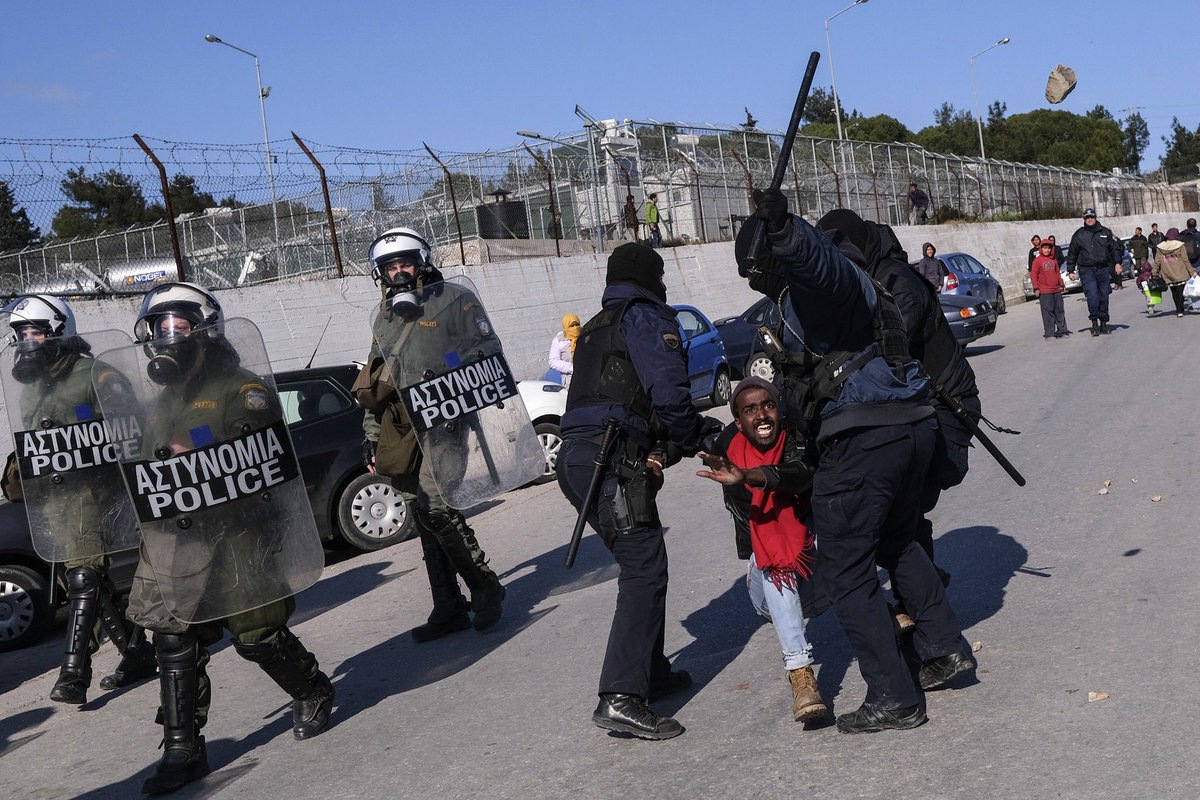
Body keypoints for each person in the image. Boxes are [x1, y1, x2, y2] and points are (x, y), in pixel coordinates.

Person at [738, 189, 973, 735]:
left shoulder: (830, 278)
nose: (757, 284)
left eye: (757, 272)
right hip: (906, 428)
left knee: (846, 570)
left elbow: (821, 266)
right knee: (897, 538)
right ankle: (943, 647)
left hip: (865, 436)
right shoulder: (853, 289)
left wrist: (785, 234)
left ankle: (895, 696)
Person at [113, 283, 334, 795]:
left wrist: (188, 447)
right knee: (173, 638)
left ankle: (313, 688)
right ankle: (182, 749)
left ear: (204, 332)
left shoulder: (243, 388)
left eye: (179, 326)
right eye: (158, 328)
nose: (167, 338)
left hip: (241, 533)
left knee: (256, 637)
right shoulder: (159, 401)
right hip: (181, 538)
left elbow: (253, 448)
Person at [556, 241, 722, 740]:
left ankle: (648, 672)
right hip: (609, 460)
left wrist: (666, 444)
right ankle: (622, 696)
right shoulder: (647, 317)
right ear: (652, 278)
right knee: (644, 567)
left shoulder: (599, 324)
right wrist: (698, 437)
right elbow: (668, 397)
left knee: (647, 560)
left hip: (582, 457)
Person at [816, 208, 981, 614]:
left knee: (899, 513)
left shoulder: (894, 281)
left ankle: (923, 608)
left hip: (944, 407)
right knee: (899, 513)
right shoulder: (868, 280)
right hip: (916, 408)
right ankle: (923, 595)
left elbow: (885, 349)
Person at [0, 296, 157, 706]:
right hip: (57, 501)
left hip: (97, 492)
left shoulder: (95, 374)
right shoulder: (32, 388)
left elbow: (131, 428)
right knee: (91, 581)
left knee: (84, 578)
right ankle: (137, 653)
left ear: (57, 332)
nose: (26, 341)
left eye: (33, 331)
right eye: (20, 334)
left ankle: (74, 672)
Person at [354, 228, 506, 643]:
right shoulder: (384, 316)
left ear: (422, 261)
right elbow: (374, 380)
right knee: (422, 516)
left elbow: (485, 351)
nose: (398, 272)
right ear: (379, 273)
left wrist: (447, 372)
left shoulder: (455, 300)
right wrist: (371, 434)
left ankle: (485, 583)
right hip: (402, 429)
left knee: (438, 507)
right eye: (389, 267)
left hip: (446, 420)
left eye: (404, 262)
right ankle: (448, 605)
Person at [695, 377, 828, 724]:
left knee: (838, 537)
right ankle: (800, 672)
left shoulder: (796, 440)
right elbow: (679, 425)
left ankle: (874, 616)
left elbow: (800, 473)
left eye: (767, 405)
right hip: (770, 595)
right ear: (738, 422)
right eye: (750, 410)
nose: (762, 415)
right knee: (771, 562)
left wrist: (750, 477)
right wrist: (656, 453)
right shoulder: (728, 451)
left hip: (818, 573)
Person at [1065, 208, 1123, 335]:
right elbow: (1072, 253)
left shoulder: (1105, 232)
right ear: (1084, 220)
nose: (1090, 219)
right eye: (1087, 218)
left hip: (1102, 268)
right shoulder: (1078, 235)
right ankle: (1094, 323)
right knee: (1092, 296)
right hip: (1087, 269)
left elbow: (1114, 249)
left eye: (1092, 217)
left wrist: (1118, 263)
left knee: (1104, 295)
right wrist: (1070, 270)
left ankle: (1103, 322)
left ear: (1095, 218)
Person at [1151, 228, 1197, 318]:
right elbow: (1185, 260)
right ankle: (1180, 310)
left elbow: (1157, 261)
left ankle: (1178, 309)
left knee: (1174, 292)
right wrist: (1192, 271)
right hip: (1180, 272)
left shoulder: (1161, 247)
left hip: (1168, 273)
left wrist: (1154, 272)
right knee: (1180, 292)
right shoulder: (1180, 245)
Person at [1030, 240, 1069, 338]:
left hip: (1056, 290)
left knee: (1059, 311)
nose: (1047, 250)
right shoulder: (1037, 261)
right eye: (1044, 248)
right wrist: (1036, 288)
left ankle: (1062, 330)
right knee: (1047, 313)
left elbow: (1057, 273)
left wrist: (1061, 284)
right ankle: (1050, 333)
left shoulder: (1053, 260)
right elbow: (1033, 275)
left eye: (1048, 248)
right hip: (1044, 291)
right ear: (1041, 249)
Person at [548, 312, 581, 386]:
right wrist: (572, 368)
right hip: (570, 380)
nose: (575, 328)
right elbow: (553, 361)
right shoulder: (559, 341)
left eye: (577, 325)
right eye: (571, 325)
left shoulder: (585, 335)